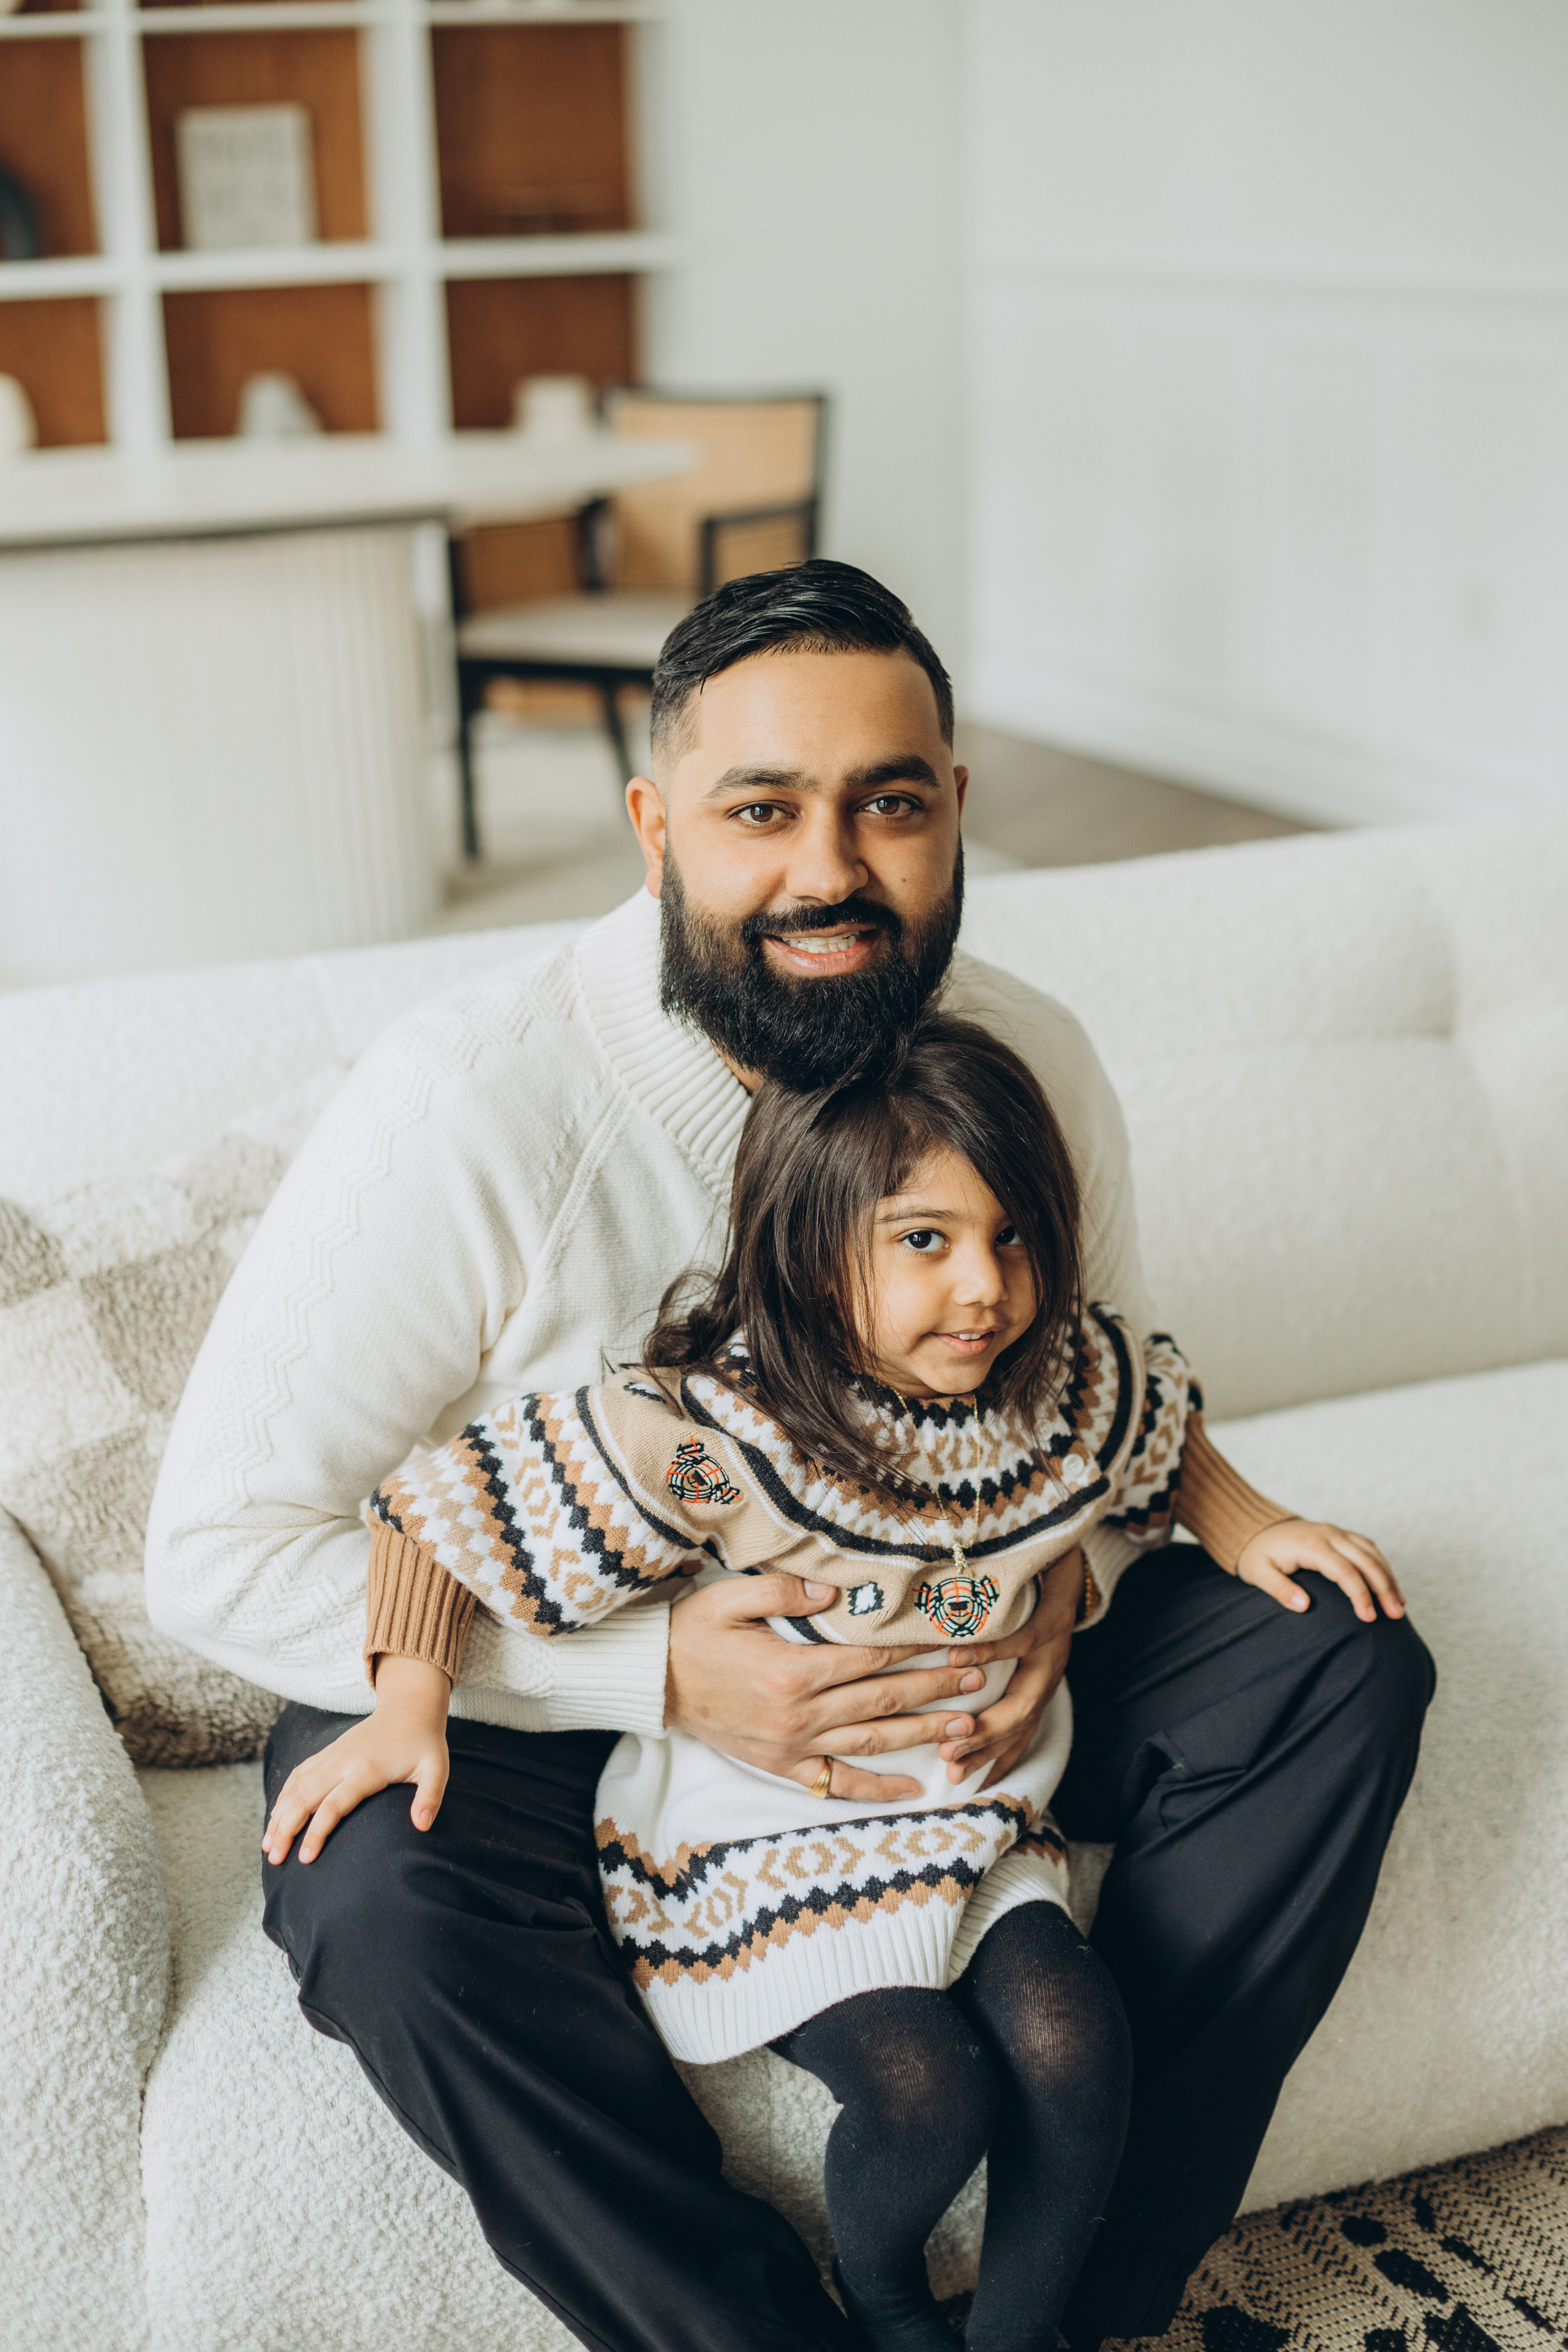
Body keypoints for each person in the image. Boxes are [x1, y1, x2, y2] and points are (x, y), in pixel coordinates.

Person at [146, 560, 1434, 2352]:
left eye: (887, 804)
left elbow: (1099, 1400)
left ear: (955, 809)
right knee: (372, 1886)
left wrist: (1057, 1594)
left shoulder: (1029, 1061)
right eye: (761, 810)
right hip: (561, 1680)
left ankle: (1070, 2309)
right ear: (653, 829)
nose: (829, 871)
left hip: (956, 1666)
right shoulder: (474, 1102)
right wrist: (662, 1672)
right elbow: (217, 1547)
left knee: (1338, 1655)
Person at [260, 1013, 1404, 2352]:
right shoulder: (720, 1436)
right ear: (810, 1256)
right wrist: (408, 1707)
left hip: (967, 1813)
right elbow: (444, 1513)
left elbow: (1154, 1429)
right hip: (768, 1830)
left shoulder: (1055, 1389)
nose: (983, 1286)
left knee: (1076, 2046)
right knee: (926, 2095)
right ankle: (887, 2313)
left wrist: (1250, 1526)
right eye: (924, 1241)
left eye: (1013, 1237)